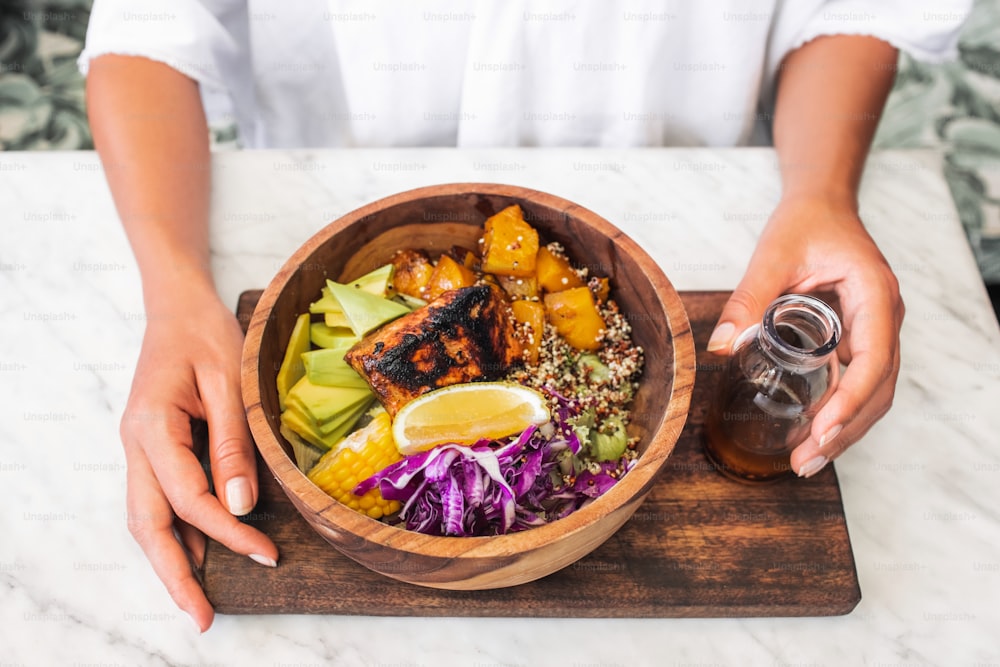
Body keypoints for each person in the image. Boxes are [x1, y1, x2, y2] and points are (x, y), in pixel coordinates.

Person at [79, 0, 969, 631]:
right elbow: (144, 32)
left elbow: (855, 12)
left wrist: (821, 190)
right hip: (299, 194)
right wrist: (173, 285)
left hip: (704, 204)